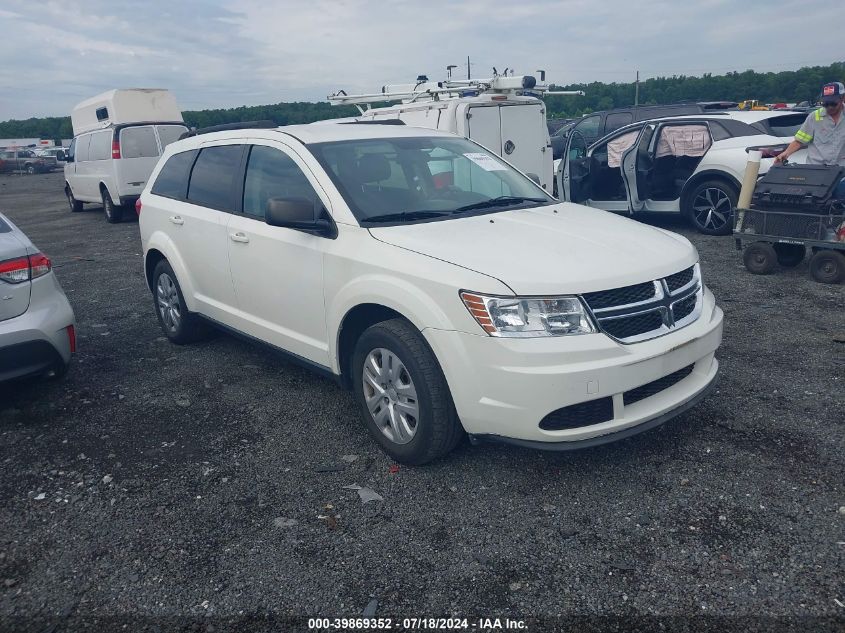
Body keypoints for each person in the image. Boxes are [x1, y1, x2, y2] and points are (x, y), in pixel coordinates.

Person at [774, 82, 845, 167]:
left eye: (833, 103)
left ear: (842, 98)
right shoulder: (814, 117)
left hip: (841, 171)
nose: (829, 107)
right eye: (825, 103)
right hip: (817, 169)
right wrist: (786, 153)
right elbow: (799, 141)